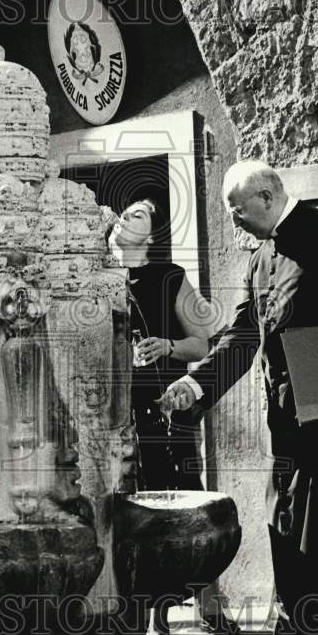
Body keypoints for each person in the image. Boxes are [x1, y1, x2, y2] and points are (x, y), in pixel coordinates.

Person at [159, 160, 318, 635]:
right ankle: (303, 631)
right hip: (289, 422)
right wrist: (195, 383)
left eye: (237, 212)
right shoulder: (259, 262)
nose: (234, 223)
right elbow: (244, 336)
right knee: (285, 522)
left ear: (266, 197)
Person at [108, 198, 216, 491]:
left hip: (163, 415)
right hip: (112, 416)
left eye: (138, 215)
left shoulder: (171, 277)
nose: (125, 217)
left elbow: (202, 345)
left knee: (175, 497)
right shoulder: (97, 278)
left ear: (151, 237)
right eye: (124, 214)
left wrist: (167, 346)